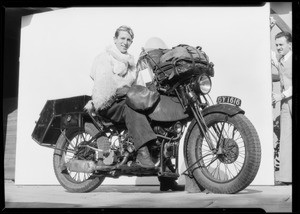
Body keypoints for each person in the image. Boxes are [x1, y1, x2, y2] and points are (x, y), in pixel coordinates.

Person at [88, 25, 183, 191]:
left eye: (129, 39)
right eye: (122, 38)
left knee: (155, 119)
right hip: (108, 102)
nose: (125, 42)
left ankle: (166, 177)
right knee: (130, 106)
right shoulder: (105, 57)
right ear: (115, 39)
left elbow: (139, 85)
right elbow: (103, 84)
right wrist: (123, 92)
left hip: (125, 99)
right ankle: (142, 153)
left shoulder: (132, 63)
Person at [272, 31, 292, 185]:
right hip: (285, 104)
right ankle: (285, 178)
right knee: (285, 138)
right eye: (277, 44)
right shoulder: (279, 59)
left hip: (286, 98)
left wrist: (281, 95)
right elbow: (268, 53)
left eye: (281, 44)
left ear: (289, 45)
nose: (278, 47)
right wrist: (267, 27)